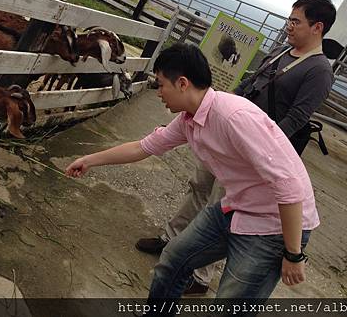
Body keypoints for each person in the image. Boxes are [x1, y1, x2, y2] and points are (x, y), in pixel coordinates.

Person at [65, 43, 319, 304]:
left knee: (231, 304)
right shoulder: (189, 118)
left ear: (183, 83)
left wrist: (293, 254)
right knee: (174, 259)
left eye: (161, 84)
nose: (158, 92)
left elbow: (289, 188)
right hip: (238, 206)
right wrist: (89, 160)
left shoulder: (234, 116)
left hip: (275, 225)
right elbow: (143, 147)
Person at [135, 0, 336, 295]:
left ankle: (200, 276)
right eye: (289, 19)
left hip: (252, 150)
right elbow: (249, 83)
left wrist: (256, 146)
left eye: (296, 21)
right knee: (199, 187)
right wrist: (221, 107)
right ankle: (172, 240)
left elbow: (296, 117)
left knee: (222, 204)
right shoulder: (283, 52)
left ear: (317, 27)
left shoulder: (319, 71)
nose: (288, 26)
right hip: (225, 132)